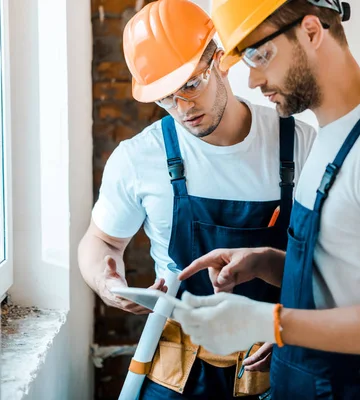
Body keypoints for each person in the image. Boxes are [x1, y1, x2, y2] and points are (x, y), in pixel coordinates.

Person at [173, 0, 360, 399]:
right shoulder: (332, 136)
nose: (251, 80)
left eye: (259, 54)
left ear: (311, 31)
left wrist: (269, 322)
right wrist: (269, 264)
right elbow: (347, 281)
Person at [77, 0, 316, 398]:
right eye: (166, 98)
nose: (183, 109)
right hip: (178, 366)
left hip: (275, 358)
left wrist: (303, 320)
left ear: (220, 61)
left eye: (191, 84)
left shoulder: (299, 146)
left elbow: (335, 263)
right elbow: (100, 240)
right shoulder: (140, 157)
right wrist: (106, 281)